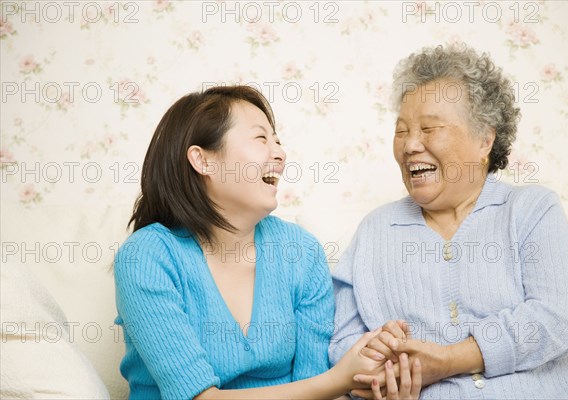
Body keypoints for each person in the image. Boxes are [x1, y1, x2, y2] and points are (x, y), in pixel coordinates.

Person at [113, 85, 421, 400]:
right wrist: (339, 379)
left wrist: (369, 380)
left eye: (277, 141)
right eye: (261, 139)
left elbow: (313, 386)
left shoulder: (301, 252)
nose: (279, 153)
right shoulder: (147, 257)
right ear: (203, 161)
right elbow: (198, 398)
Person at [329, 44, 568, 399]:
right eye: (402, 130)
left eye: (429, 128)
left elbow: (560, 319)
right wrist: (380, 373)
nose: (410, 145)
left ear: (484, 140)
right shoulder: (375, 231)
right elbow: (343, 344)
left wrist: (451, 359)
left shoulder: (531, 209)